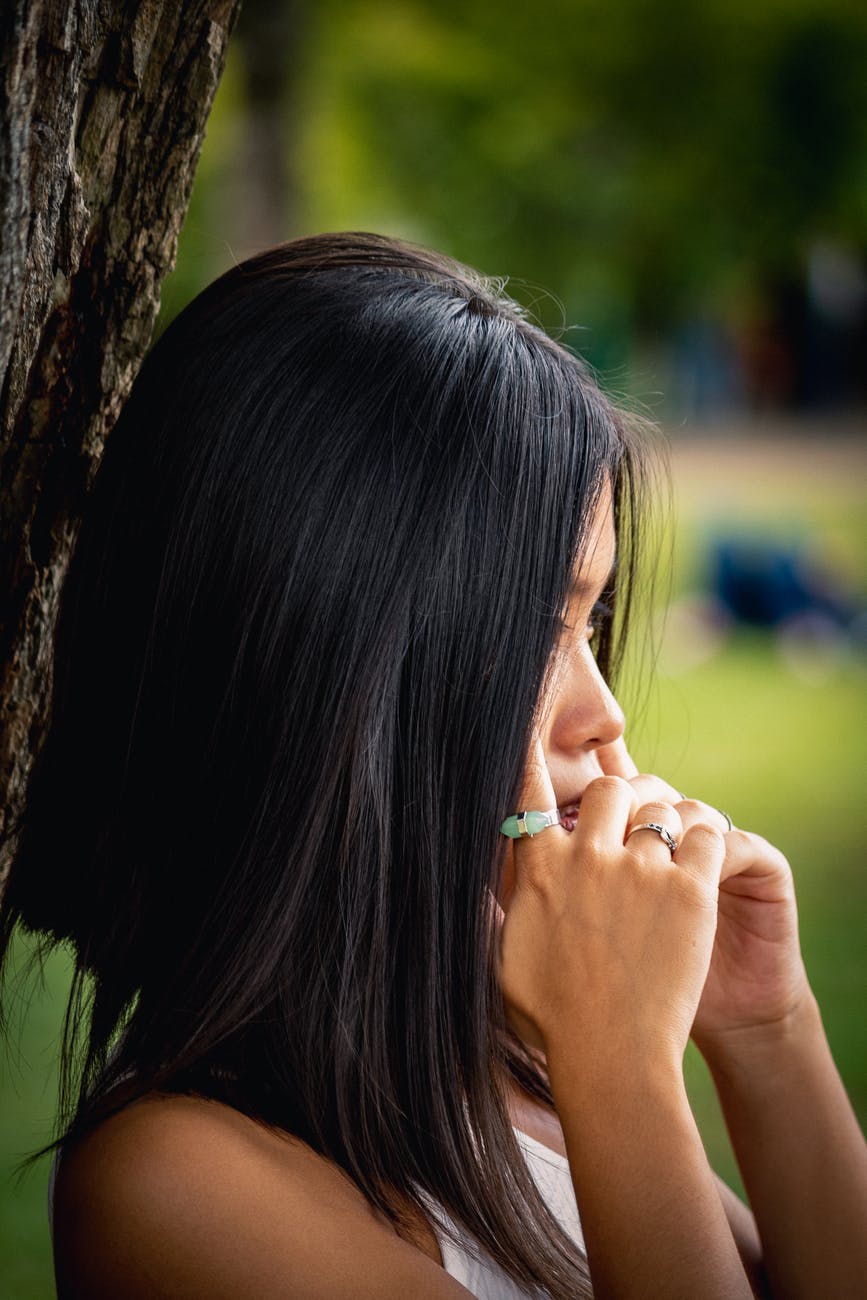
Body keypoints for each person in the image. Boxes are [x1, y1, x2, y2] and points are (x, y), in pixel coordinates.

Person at [1, 232, 865, 1299]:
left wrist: (769, 1032)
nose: (606, 716)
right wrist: (624, 1072)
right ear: (331, 673)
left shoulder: (511, 1056)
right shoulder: (173, 1186)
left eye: (590, 626)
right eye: (539, 632)